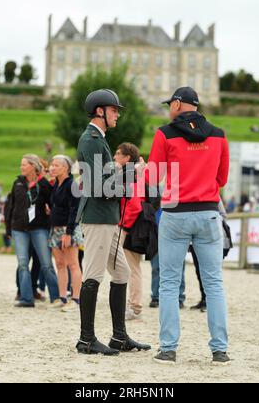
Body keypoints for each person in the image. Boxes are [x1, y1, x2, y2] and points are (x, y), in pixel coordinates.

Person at [142, 87, 230, 365]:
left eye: (171, 104)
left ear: (179, 104)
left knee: (169, 283)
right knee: (214, 283)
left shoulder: (164, 133)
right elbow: (222, 178)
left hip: (175, 212)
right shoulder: (218, 135)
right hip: (207, 212)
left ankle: (168, 348)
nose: (169, 108)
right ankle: (220, 350)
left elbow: (154, 178)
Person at [75, 89, 151, 356]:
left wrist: (128, 173)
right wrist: (133, 172)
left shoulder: (101, 139)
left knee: (122, 272)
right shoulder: (92, 139)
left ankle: (119, 337)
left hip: (108, 218)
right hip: (98, 218)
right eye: (114, 110)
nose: (117, 114)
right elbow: (100, 186)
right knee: (93, 275)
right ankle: (86, 339)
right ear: (100, 111)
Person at [5, 154, 59, 308]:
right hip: (19, 229)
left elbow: (53, 205)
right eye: (21, 164)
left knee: (46, 264)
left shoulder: (44, 185)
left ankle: (56, 297)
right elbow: (10, 206)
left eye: (24, 165)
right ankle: (26, 298)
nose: (21, 167)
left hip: (39, 228)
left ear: (33, 167)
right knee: (22, 264)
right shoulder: (17, 183)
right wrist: (8, 227)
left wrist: (51, 221)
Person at [114, 143, 145, 321]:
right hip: (128, 224)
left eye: (118, 154)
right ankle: (132, 304)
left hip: (129, 226)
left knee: (131, 268)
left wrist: (124, 225)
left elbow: (134, 205)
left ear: (127, 158)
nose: (115, 157)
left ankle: (135, 307)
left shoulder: (129, 175)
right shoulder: (129, 174)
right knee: (130, 267)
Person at [48, 155, 83, 312]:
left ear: (66, 168)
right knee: (60, 264)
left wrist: (69, 232)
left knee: (73, 264)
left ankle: (75, 299)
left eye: (56, 165)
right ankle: (62, 296)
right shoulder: (56, 184)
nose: (52, 167)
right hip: (55, 228)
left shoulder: (72, 185)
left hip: (68, 229)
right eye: (52, 165)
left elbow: (75, 210)